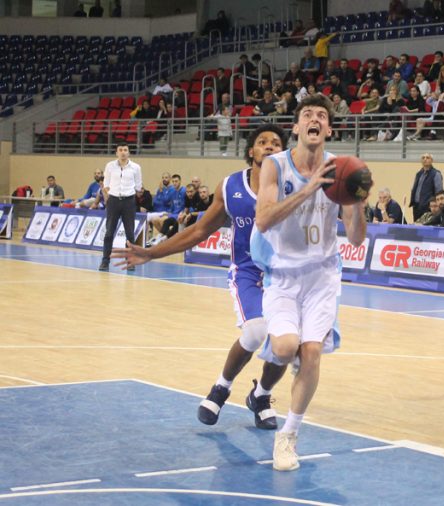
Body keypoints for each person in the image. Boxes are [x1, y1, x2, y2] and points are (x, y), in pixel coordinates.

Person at [113, 125, 291, 429]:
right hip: (248, 272)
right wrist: (152, 253)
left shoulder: (294, 186)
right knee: (255, 332)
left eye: (276, 143)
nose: (270, 146)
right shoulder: (230, 187)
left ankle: (261, 396)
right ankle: (221, 387)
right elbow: (198, 230)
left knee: (286, 343)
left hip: (285, 275)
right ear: (251, 151)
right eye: (262, 141)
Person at [250, 95, 367, 471]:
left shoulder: (341, 168)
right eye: (307, 114)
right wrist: (309, 188)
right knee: (286, 349)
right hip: (283, 274)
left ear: (328, 128)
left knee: (311, 352)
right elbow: (263, 220)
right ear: (297, 127)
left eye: (321, 115)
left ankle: (288, 436)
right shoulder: (275, 165)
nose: (314, 119)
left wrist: (359, 201)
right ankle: (262, 389)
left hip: (322, 275)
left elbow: (356, 238)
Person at [99, 144, 142, 272]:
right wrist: (110, 197)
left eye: (125, 150)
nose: (123, 152)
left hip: (129, 202)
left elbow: (138, 187)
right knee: (109, 233)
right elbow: (106, 185)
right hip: (113, 201)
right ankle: (105, 261)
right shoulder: (110, 166)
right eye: (120, 150)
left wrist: (130, 195)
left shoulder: (136, 167)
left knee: (130, 234)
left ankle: (130, 261)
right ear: (116, 152)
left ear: (129, 152)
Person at [409, 153, 444, 222]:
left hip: (428, 207)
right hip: (416, 207)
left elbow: (439, 192)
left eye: (427, 158)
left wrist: (435, 206)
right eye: (423, 158)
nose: (425, 159)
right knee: (416, 225)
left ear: (432, 160)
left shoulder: (436, 174)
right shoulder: (419, 174)